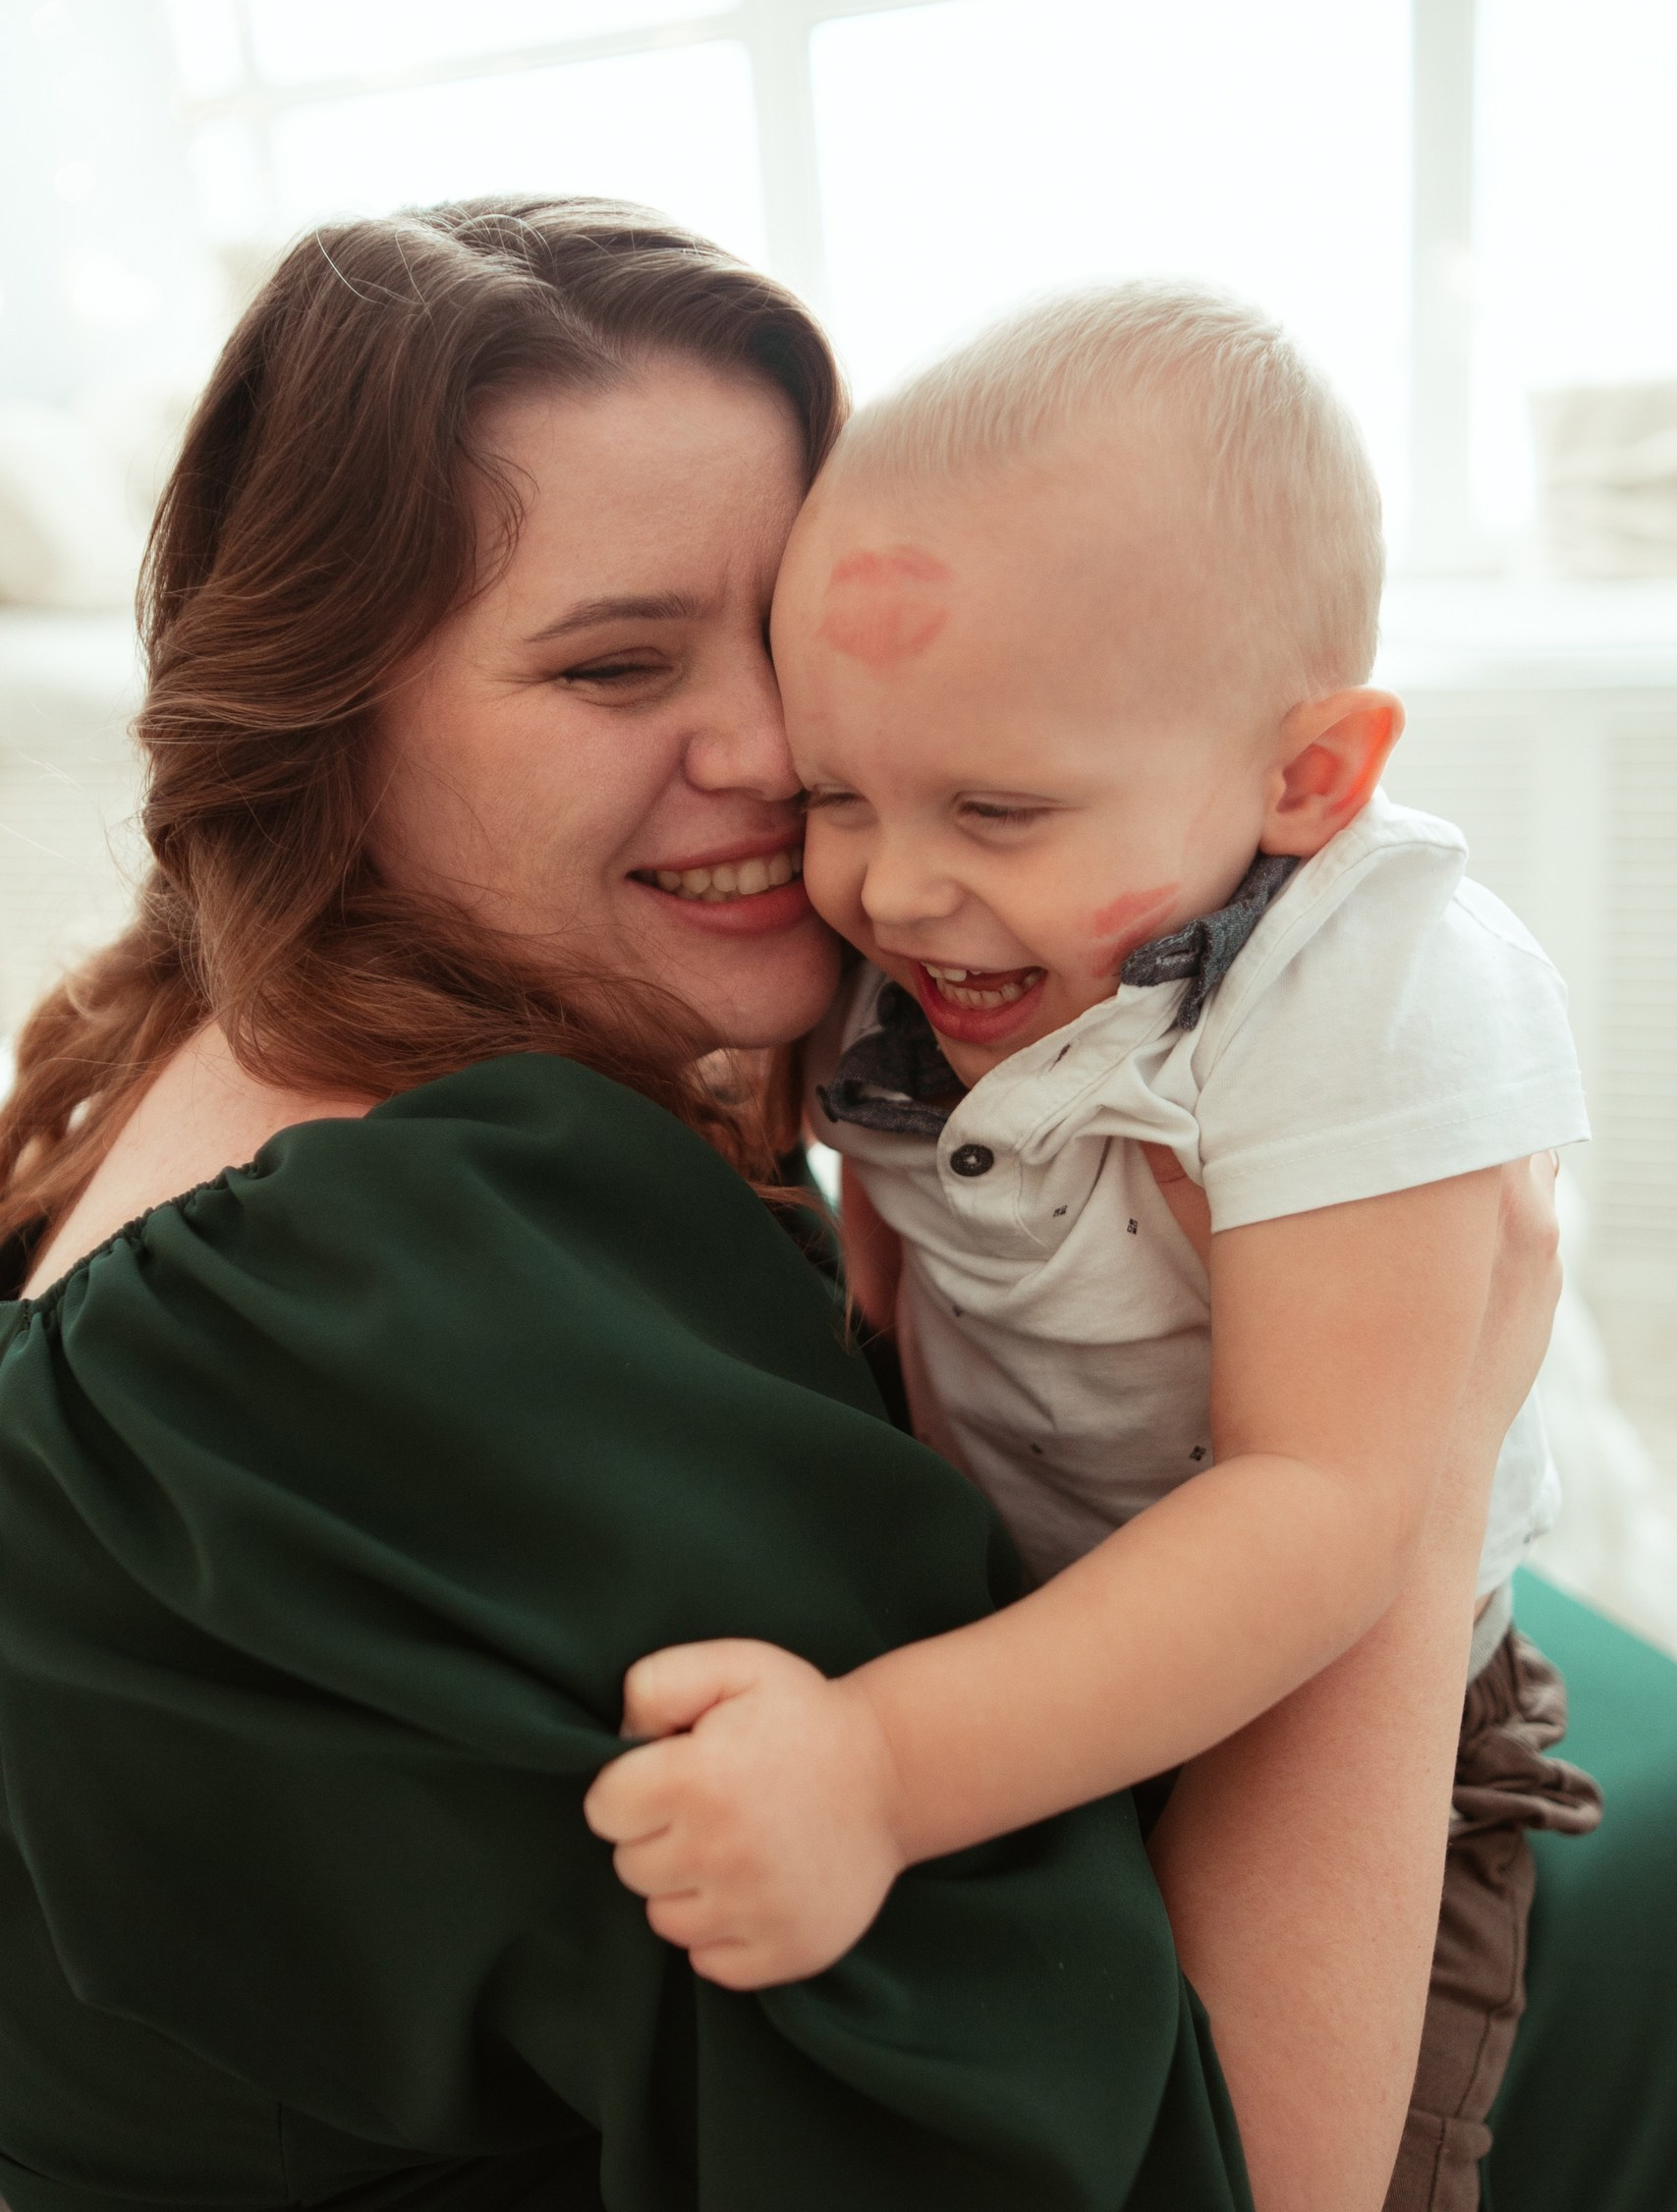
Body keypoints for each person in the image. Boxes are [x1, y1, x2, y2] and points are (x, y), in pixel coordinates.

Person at [0, 202, 1557, 2212]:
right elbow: (1231, 2170)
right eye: (618, 660)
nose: (781, 751)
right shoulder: (421, 1270)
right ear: (324, 720)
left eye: (785, 632)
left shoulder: (204, 1069)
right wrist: (1425, 1425)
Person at [585, 282, 1601, 2212]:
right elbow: (896, 1234)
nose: (888, 883)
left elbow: (1317, 1511)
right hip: (1040, 1633)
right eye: (838, 791)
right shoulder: (938, 945)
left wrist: (882, 1765)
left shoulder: (1367, 989)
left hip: (1354, 1693)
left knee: (1306, 2167)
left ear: (1306, 778)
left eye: (996, 805)